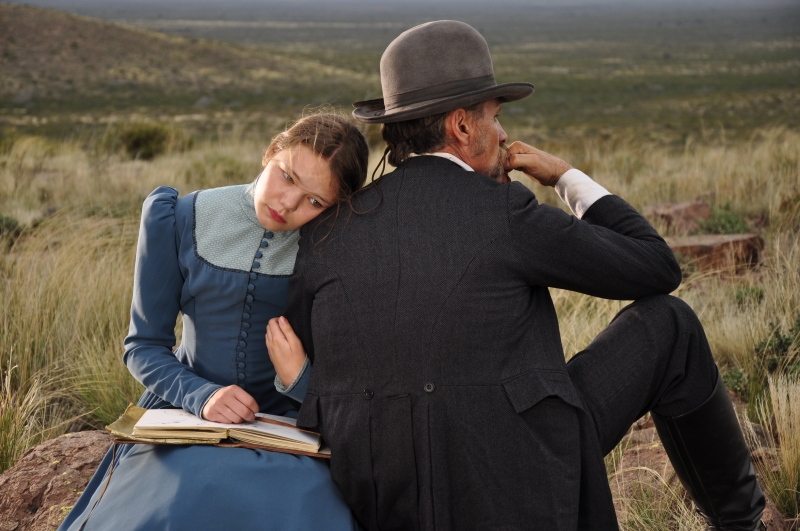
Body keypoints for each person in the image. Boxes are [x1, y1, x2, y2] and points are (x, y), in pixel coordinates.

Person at [267, 21, 766, 531]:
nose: (504, 134)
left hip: (383, 503)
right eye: (496, 117)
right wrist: (565, 177)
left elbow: (314, 363)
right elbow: (656, 266)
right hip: (524, 489)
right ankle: (742, 524)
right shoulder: (503, 213)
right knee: (671, 326)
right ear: (462, 128)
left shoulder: (327, 233)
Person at [58, 112, 369, 531]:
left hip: (292, 427)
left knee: (298, 510)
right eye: (287, 177)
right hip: (185, 415)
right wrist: (202, 396)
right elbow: (143, 347)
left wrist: (300, 381)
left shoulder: (340, 248)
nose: (287, 204)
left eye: (315, 201)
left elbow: (356, 377)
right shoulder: (177, 217)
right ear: (272, 151)